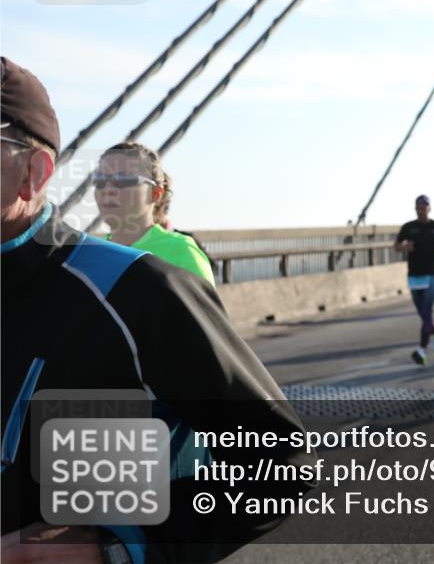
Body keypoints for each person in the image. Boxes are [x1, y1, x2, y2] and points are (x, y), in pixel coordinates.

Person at [1, 57, 315, 564]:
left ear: (33, 174)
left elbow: (281, 462)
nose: (108, 191)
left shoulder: (141, 287)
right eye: (101, 180)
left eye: (123, 182)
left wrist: (121, 545)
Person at [96, 142, 215, 284]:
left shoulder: (181, 252)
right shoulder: (91, 255)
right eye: (99, 181)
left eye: (123, 179)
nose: (107, 189)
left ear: (155, 193)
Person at [394, 195, 434, 366]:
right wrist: (404, 246)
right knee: (422, 313)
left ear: (429, 209)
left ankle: (422, 350)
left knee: (426, 310)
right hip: (413, 276)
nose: (421, 210)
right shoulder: (408, 227)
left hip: (431, 275)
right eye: (419, 207)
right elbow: (396, 245)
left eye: (424, 207)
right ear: (415, 209)